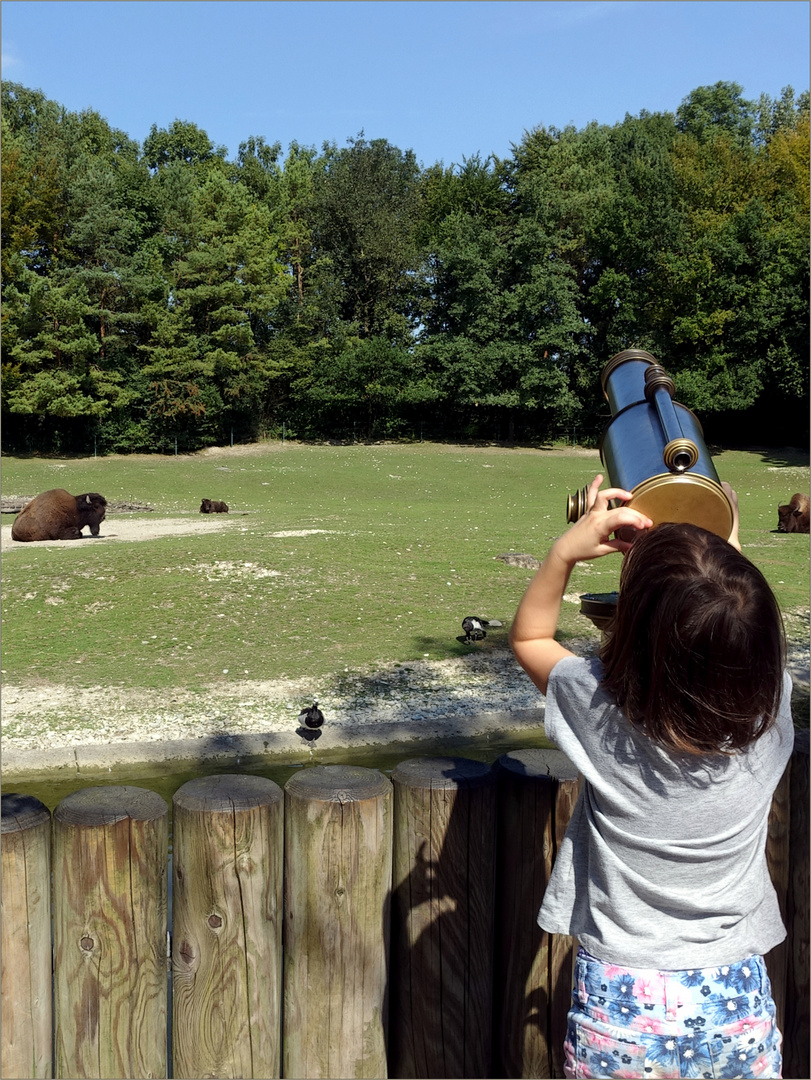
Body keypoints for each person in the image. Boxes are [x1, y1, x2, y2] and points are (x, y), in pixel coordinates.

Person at [509, 474, 793, 1080]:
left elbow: (530, 637)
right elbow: (725, 615)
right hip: (734, 1002)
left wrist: (566, 549)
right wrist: (720, 530)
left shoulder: (599, 711)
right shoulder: (773, 711)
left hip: (621, 1006)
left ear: (637, 630)